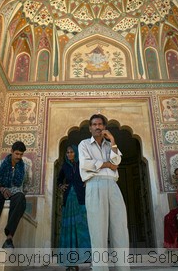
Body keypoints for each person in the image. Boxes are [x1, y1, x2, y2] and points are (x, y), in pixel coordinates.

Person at [78, 114, 129, 271]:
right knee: (97, 229)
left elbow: (117, 162)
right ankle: (100, 268)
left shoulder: (109, 145)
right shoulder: (84, 144)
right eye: (94, 124)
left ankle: (123, 267)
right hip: (94, 185)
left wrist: (113, 140)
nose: (97, 127)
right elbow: (86, 164)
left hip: (112, 186)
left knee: (120, 227)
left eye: (100, 124)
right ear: (90, 128)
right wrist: (107, 164)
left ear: (104, 127)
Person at [57, 145, 91, 270]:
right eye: (67, 152)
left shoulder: (82, 164)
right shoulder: (65, 166)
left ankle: (88, 260)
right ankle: (71, 263)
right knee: (69, 229)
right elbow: (59, 178)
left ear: (76, 153)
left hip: (81, 200)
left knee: (82, 228)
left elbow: (89, 174)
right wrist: (61, 185)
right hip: (69, 201)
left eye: (71, 152)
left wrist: (87, 182)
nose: (69, 154)